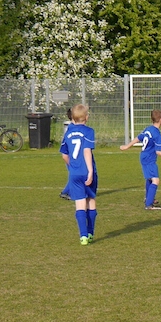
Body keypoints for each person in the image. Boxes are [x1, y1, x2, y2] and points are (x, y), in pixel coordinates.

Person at [120, 109, 161, 210]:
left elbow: (138, 138)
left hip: (143, 156)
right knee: (156, 180)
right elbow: (158, 151)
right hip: (149, 159)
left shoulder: (148, 129)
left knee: (150, 178)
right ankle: (149, 205)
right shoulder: (157, 134)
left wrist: (127, 146)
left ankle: (148, 198)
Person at [60, 104, 98, 245]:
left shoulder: (68, 133)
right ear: (86, 117)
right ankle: (90, 233)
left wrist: (73, 167)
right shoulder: (88, 131)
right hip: (86, 172)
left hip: (74, 173)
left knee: (80, 204)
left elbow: (64, 155)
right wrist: (90, 171)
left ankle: (83, 237)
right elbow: (87, 151)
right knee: (91, 201)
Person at [59, 108, 74, 200]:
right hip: (71, 156)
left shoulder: (72, 127)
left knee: (74, 174)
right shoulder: (72, 128)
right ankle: (67, 192)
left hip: (73, 155)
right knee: (74, 175)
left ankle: (66, 192)